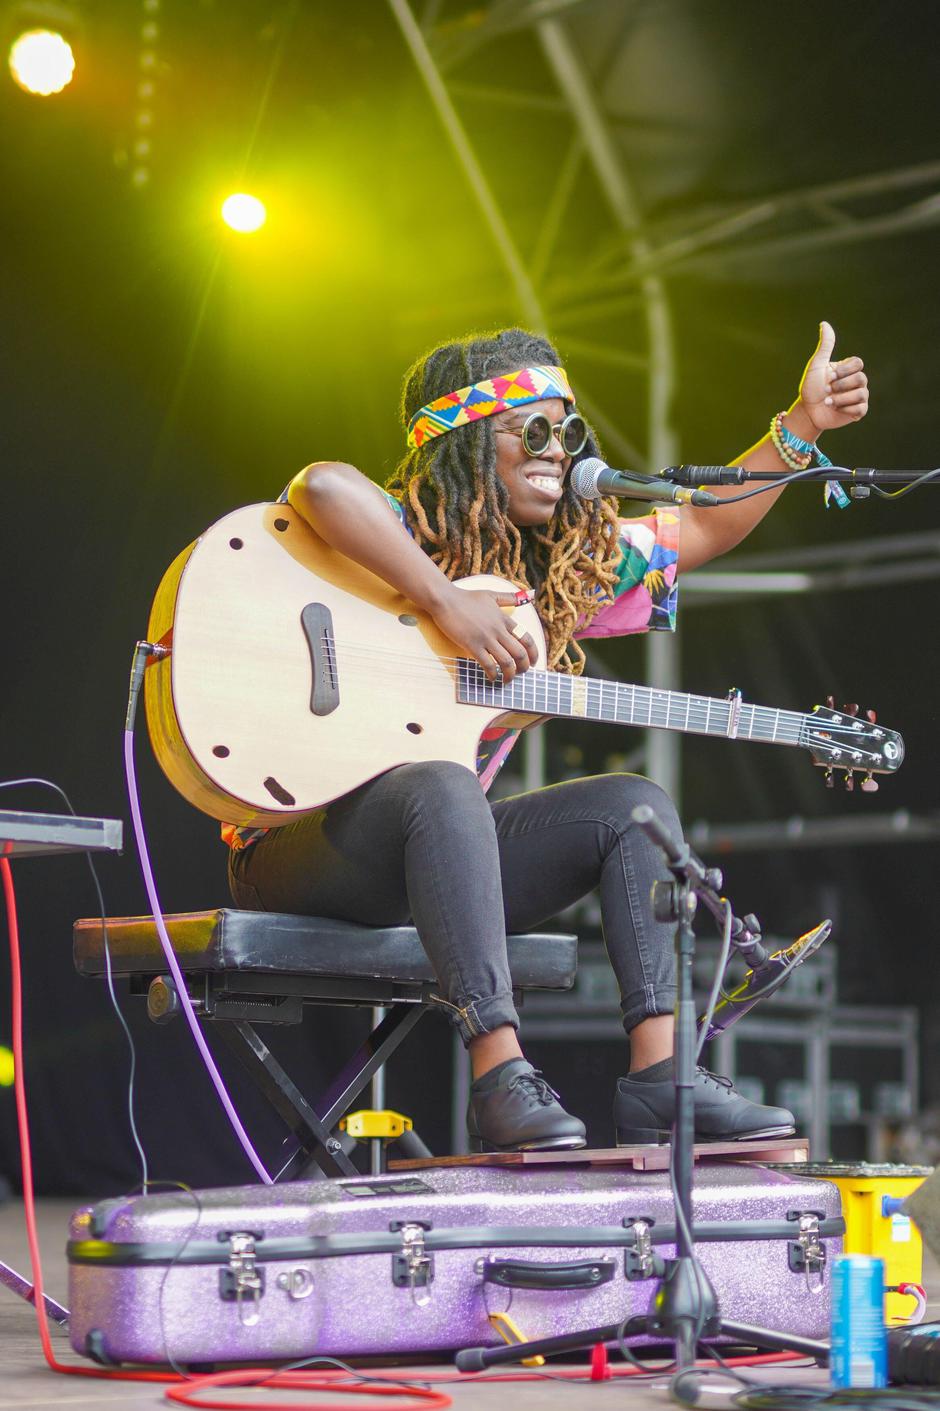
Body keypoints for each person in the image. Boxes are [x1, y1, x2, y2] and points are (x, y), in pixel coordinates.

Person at [225, 321, 869, 1152]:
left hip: (435, 855)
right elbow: (321, 486)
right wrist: (440, 599)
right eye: (530, 430)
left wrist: (801, 428)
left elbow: (699, 529)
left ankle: (660, 1078)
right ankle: (500, 1074)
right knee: (439, 782)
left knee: (632, 808)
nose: (557, 450)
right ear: (459, 442)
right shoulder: (393, 535)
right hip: (295, 845)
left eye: (567, 432)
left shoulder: (550, 577)